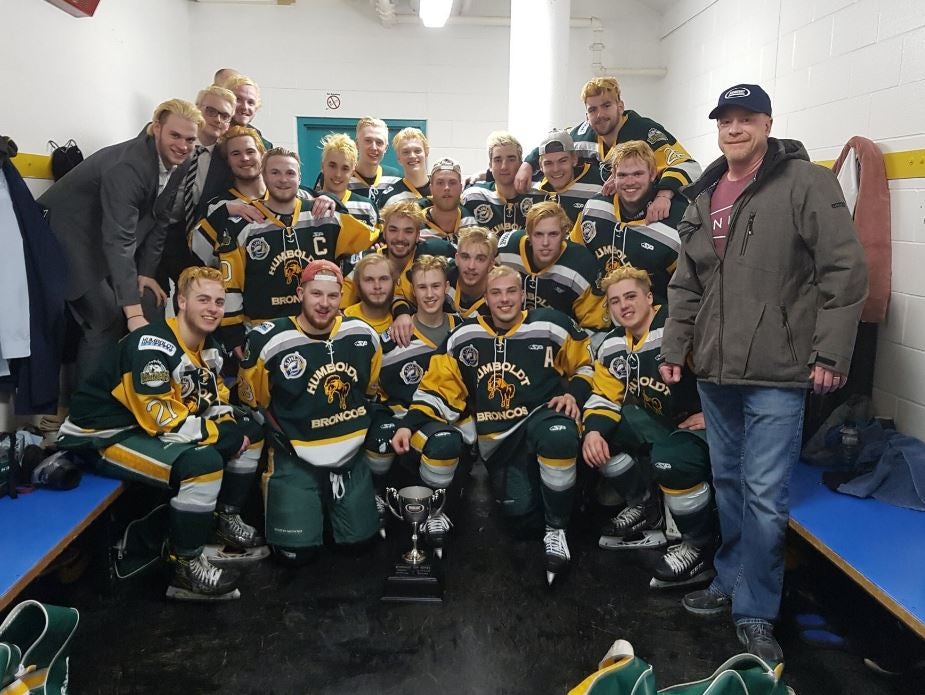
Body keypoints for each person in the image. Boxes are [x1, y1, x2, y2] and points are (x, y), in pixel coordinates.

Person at [659, 83, 868, 663]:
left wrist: (831, 354)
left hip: (778, 371)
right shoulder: (703, 195)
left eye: (746, 118)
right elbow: (687, 284)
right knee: (728, 484)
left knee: (766, 496)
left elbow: (845, 271)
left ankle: (755, 612)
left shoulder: (806, 184)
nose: (734, 128)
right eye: (726, 119)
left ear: (768, 124)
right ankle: (730, 579)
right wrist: (677, 346)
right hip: (717, 371)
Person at [57, 266, 266, 601]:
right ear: (181, 301)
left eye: (218, 301)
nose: (213, 308)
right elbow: (164, 422)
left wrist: (229, 425)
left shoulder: (207, 344)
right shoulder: (150, 347)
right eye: (203, 299)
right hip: (103, 434)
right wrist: (220, 435)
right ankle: (185, 566)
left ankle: (225, 518)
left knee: (251, 430)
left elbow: (214, 400)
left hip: (142, 426)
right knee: (204, 461)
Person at [393, 265, 594, 585]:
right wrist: (408, 424)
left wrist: (577, 395)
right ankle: (547, 501)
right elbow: (437, 387)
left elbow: (587, 365)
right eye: (496, 293)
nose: (504, 300)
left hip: (543, 418)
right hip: (498, 441)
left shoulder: (552, 324)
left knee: (559, 436)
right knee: (521, 523)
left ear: (523, 295)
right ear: (485, 297)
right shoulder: (465, 335)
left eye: (511, 291)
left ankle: (557, 529)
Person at [38, 98, 201, 383]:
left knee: (151, 298)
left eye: (190, 139)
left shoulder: (182, 161)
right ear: (157, 128)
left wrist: (147, 273)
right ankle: (84, 414)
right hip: (63, 237)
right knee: (103, 319)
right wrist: (133, 313)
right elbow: (119, 239)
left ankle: (132, 397)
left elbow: (160, 218)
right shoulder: (128, 166)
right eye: (175, 135)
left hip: (101, 238)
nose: (183, 145)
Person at [237, 260, 382, 565]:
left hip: (350, 454)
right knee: (296, 555)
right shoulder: (269, 340)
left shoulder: (363, 334)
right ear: (300, 292)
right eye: (316, 294)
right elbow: (255, 400)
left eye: (332, 295)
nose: (324, 304)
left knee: (358, 546)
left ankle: (340, 509)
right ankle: (307, 507)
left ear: (342, 296)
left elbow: (369, 389)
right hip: (294, 453)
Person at [582, 267, 715, 589]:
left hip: (705, 424)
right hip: (662, 422)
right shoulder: (613, 344)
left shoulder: (678, 325)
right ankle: (644, 505)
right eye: (615, 301)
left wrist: (714, 414)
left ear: (649, 297)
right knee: (597, 434)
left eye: (630, 296)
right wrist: (593, 432)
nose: (623, 306)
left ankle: (698, 545)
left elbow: (724, 367)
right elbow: (604, 396)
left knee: (671, 461)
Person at [215, 147, 377, 353]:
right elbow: (231, 284)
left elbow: (371, 242)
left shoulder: (324, 216)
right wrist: (232, 332)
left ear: (300, 177)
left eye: (290, 173)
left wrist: (334, 201)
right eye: (275, 172)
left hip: (318, 329)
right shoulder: (243, 224)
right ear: (263, 175)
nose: (283, 179)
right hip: (263, 333)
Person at [361, 255, 467, 553]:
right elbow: (371, 391)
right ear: (412, 291)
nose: (430, 294)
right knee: (378, 432)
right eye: (422, 287)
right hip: (407, 424)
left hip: (453, 426)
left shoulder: (465, 330)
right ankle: (377, 493)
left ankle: (435, 510)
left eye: (436, 286)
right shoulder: (392, 340)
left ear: (447, 287)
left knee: (446, 443)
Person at [516, 77, 700, 224]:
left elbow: (688, 165)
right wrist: (527, 163)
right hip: (608, 218)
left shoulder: (645, 131)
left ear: (620, 106)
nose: (600, 115)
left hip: (649, 218)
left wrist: (664, 195)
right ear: (586, 115)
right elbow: (554, 142)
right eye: (592, 109)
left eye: (606, 106)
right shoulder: (583, 133)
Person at [571, 140, 685, 301]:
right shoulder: (595, 207)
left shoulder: (677, 219)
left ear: (652, 174)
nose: (630, 182)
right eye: (622, 175)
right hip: (598, 315)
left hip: (653, 318)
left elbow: (688, 287)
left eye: (637, 174)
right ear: (613, 177)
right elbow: (574, 256)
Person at [157, 85, 238, 299]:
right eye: (211, 111)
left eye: (225, 116)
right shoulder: (171, 143)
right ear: (197, 109)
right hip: (157, 235)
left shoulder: (228, 159)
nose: (218, 119)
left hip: (200, 242)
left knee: (194, 299)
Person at [496, 201, 607, 331]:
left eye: (553, 234)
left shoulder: (582, 265)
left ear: (564, 234)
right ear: (529, 235)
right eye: (538, 234)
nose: (545, 243)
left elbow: (595, 329)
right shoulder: (506, 251)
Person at [189, 126, 268, 267]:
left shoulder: (289, 196)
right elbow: (198, 255)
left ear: (262, 154)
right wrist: (222, 213)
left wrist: (322, 198)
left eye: (250, 151)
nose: (244, 158)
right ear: (227, 161)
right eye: (235, 154)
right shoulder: (215, 206)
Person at [462, 131, 534, 235]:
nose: (504, 166)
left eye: (511, 159)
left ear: (521, 164)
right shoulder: (473, 195)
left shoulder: (536, 195)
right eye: (498, 160)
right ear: (490, 165)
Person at [527, 130, 605, 224]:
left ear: (574, 159)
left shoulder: (600, 183)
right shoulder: (530, 186)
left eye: (562, 161)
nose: (556, 169)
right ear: (540, 165)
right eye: (548, 163)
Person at [316, 132, 378, 228]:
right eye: (332, 166)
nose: (338, 174)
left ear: (353, 170)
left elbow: (380, 241)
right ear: (322, 165)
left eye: (345, 168)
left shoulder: (366, 207)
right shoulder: (309, 203)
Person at [417, 158, 476, 243]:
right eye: (440, 183)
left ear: (460, 188)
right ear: (431, 188)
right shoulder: (415, 226)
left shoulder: (472, 221)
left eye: (452, 182)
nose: (446, 188)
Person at [446, 225, 498, 319]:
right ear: (457, 259)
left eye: (480, 259)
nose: (471, 266)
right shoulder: (443, 273)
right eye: (465, 257)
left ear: (491, 264)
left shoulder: (501, 294)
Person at [372, 127, 431, 208]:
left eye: (417, 151)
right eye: (406, 152)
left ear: (426, 153)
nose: (412, 156)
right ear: (399, 158)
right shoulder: (389, 197)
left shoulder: (441, 190)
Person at [350, 117, 401, 198]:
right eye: (368, 141)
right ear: (357, 144)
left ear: (386, 148)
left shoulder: (395, 179)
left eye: (379, 142)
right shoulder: (342, 177)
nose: (374, 147)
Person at [344, 254, 394, 334]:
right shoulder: (343, 323)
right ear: (358, 284)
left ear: (393, 282)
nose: (377, 286)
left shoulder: (405, 321)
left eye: (383, 279)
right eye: (369, 280)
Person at [220, 73, 273, 150]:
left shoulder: (264, 146)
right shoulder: (209, 138)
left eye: (250, 102)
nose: (245, 107)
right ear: (225, 101)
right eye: (238, 99)